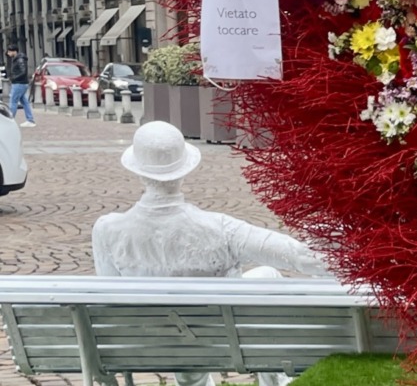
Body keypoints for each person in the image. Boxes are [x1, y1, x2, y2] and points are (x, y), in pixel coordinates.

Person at [93, 121, 329, 386]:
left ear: (139, 172)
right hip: (222, 338)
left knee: (184, 339)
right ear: (184, 172)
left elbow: (109, 301)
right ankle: (274, 380)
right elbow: (298, 256)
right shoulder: (220, 229)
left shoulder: (107, 230)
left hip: (151, 344)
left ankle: (191, 377)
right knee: (268, 276)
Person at [6, 45, 34, 128]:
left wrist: (13, 78)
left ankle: (10, 121)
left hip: (19, 83)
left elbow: (23, 71)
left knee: (13, 101)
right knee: (24, 102)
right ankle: (30, 120)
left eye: (9, 51)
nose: (8, 53)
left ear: (14, 51)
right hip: (21, 83)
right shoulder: (17, 59)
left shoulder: (19, 59)